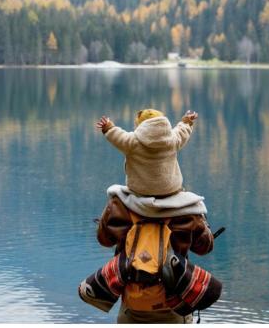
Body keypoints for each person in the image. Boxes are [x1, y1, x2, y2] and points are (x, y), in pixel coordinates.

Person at [78, 108, 222, 322]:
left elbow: (104, 240)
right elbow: (204, 247)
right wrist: (186, 121)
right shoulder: (186, 210)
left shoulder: (121, 206)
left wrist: (108, 127)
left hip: (133, 305)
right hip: (174, 304)